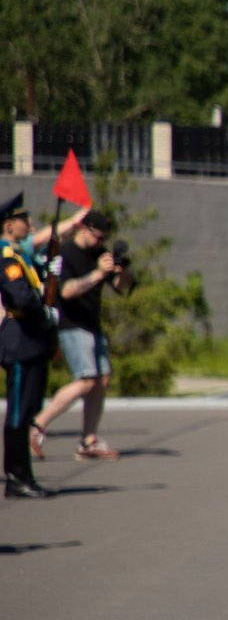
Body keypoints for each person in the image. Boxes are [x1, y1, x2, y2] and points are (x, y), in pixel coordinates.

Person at [34, 210, 133, 461]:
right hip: (71, 323)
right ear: (84, 229)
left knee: (102, 380)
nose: (101, 243)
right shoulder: (65, 254)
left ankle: (89, 441)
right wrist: (98, 274)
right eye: (98, 238)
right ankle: (36, 425)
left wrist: (121, 271)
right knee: (86, 380)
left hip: (92, 324)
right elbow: (66, 292)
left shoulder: (99, 254)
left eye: (104, 239)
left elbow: (124, 289)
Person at [1, 194, 57, 497]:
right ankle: (15, 476)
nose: (30, 225)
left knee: (29, 408)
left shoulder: (20, 255)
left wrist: (51, 269)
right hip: (20, 338)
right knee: (19, 412)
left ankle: (24, 476)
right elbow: (22, 297)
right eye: (24, 220)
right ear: (9, 225)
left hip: (32, 338)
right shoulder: (6, 257)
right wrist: (45, 312)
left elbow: (36, 286)